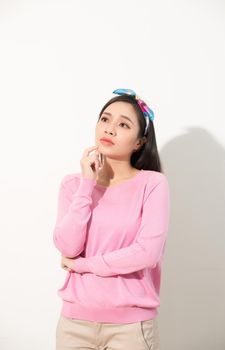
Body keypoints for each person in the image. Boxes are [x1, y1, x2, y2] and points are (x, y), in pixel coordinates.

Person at [53, 88, 170, 350]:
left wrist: (83, 266)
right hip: (74, 324)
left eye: (123, 124)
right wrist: (87, 184)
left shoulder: (152, 184)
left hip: (131, 329)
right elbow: (68, 247)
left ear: (139, 142)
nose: (110, 129)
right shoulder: (73, 185)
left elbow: (146, 253)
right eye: (105, 119)